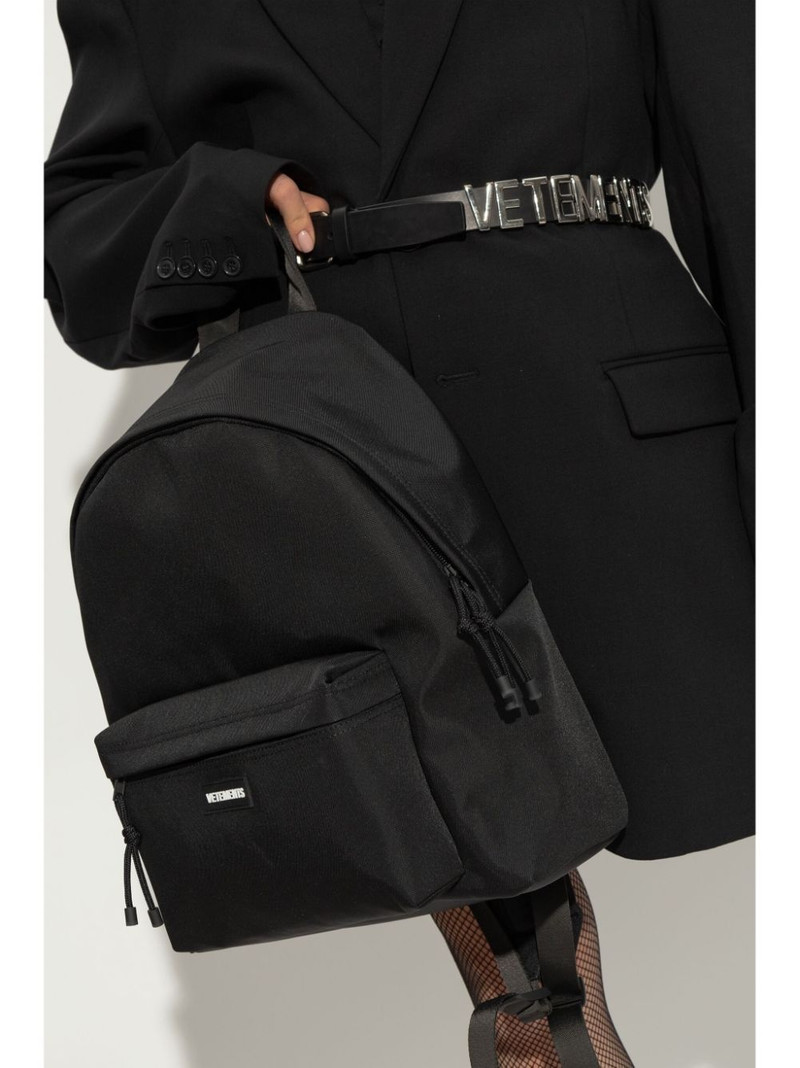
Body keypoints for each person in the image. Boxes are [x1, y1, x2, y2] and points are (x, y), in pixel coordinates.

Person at [44, 1, 754, 1061]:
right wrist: (231, 201)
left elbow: (746, 156)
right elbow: (81, 250)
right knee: (516, 945)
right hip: (348, 483)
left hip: (611, 444)